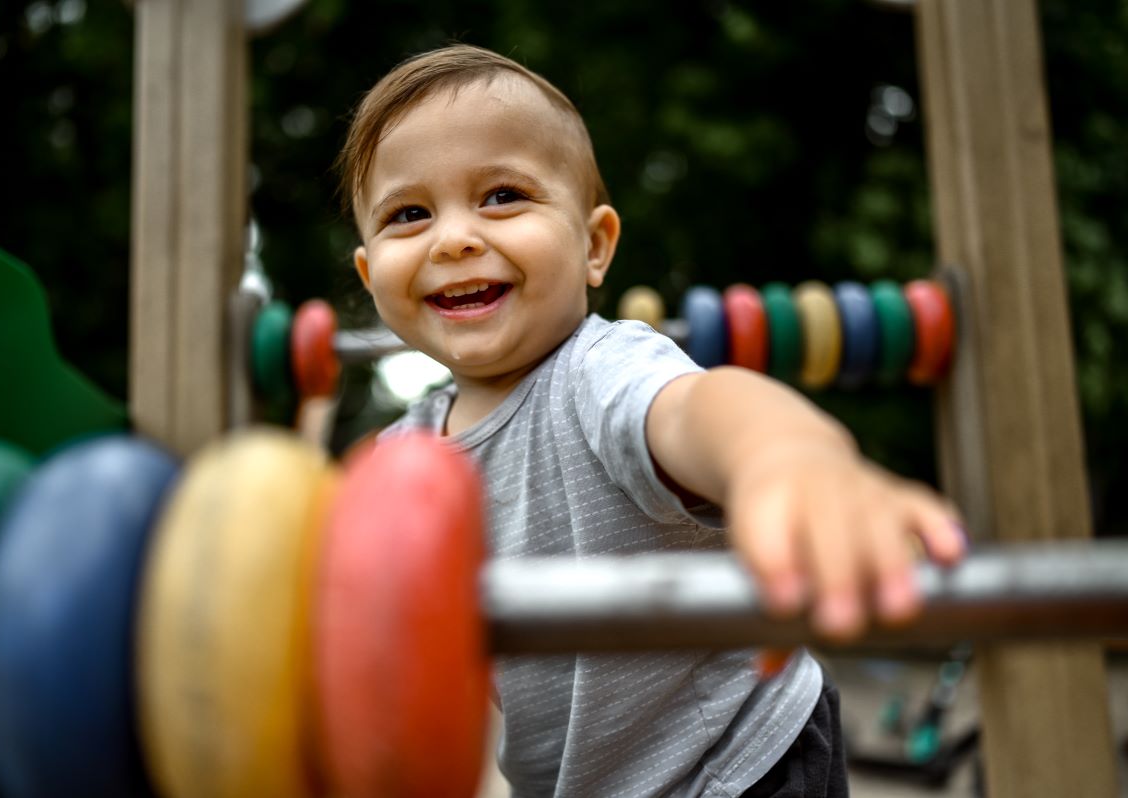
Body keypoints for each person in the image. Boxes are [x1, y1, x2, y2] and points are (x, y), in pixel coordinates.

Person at [336, 43, 966, 797]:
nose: (455, 237)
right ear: (372, 275)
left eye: (502, 196)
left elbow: (704, 410)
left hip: (740, 764)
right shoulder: (401, 457)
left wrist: (786, 457)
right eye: (409, 214)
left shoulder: (598, 373)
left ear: (596, 245)